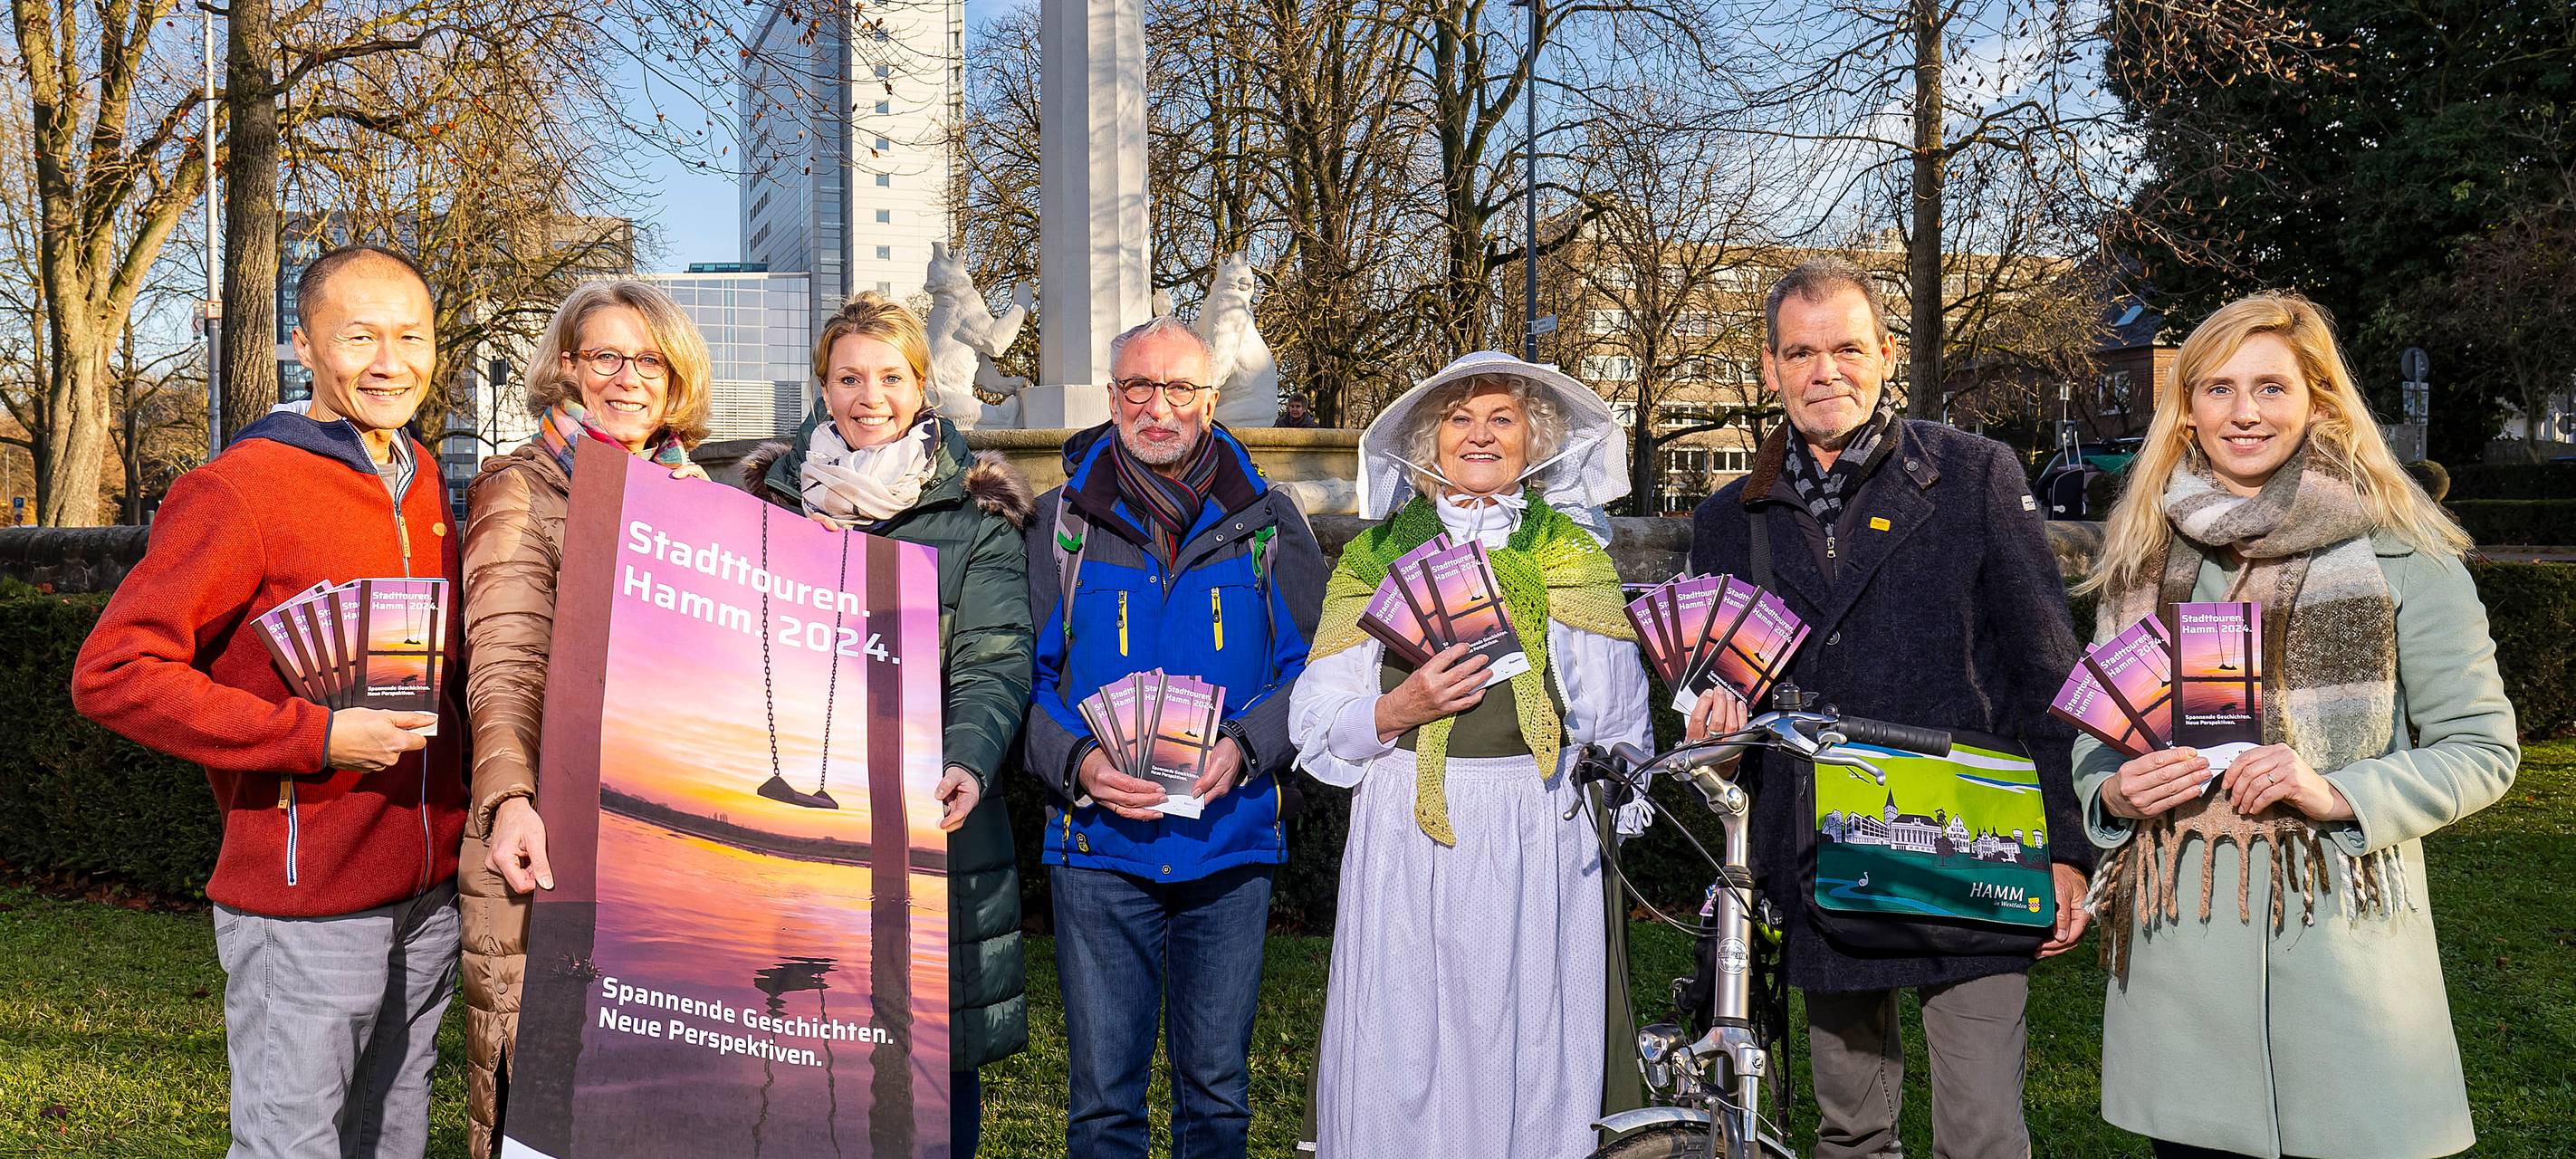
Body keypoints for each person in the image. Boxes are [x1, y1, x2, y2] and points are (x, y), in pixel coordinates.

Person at [2073, 294, 2515, 1159]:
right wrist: (2113, 792)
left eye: (2271, 387)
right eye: (2218, 388)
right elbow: (2097, 733)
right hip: (2179, 973)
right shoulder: (2140, 557)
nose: (2244, 412)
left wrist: (2340, 792)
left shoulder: (2403, 552)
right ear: (2186, 411)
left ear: (2317, 399)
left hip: (2345, 967)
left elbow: (2482, 748)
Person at [1683, 257, 2093, 1159]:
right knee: (1850, 1130)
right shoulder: (1726, 520)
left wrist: (2066, 845)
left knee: (1982, 1133)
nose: (1824, 371)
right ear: (1770, 367)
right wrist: (1712, 732)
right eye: (1800, 352)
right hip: (1823, 854)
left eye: (1846, 348)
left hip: (1971, 843)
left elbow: (2048, 670)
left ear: (1886, 354)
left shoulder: (1973, 474)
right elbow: (1718, 690)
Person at [71, 245, 464, 1159]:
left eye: (411, 337)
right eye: (358, 338)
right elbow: (113, 671)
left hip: (429, 893)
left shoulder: (424, 478)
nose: (390, 362)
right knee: (292, 1145)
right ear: (303, 344)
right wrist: (313, 735)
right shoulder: (238, 487)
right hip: (304, 902)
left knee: (393, 1137)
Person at [1288, 350, 1652, 1159]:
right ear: (1430, 439)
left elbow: (1619, 729)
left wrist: (1602, 806)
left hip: (1538, 830)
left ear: (1534, 439)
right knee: (1405, 1031)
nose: (1479, 435)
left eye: (1501, 419)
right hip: (1407, 829)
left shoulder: (1573, 558)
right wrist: (1397, 709)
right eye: (1460, 418)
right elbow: (1315, 720)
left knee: (1530, 1031)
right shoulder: (1376, 558)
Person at [742, 291, 1037, 1157]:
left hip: (923, 819)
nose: (869, 397)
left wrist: (967, 760)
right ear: (822, 388)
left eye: (890, 377)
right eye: (848, 378)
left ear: (921, 387)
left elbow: (992, 658)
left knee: (935, 1053)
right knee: (796, 1042)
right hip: (793, 826)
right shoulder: (763, 504)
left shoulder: (977, 518)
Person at [1020, 317, 1324, 1159]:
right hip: (1098, 848)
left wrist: (1249, 744)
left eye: (1180, 388)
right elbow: (1024, 681)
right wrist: (1078, 762)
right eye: (1139, 388)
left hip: (1228, 846)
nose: (1159, 408)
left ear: (1210, 400)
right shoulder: (1057, 523)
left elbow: (1316, 671)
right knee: (1102, 1107)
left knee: (1217, 1099)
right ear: (1113, 397)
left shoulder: (1269, 521)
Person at [455, 281, 713, 1158]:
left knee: (655, 1106)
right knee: (547, 1102)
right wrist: (509, 800)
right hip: (551, 831)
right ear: (567, 366)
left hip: (662, 842)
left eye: (649, 361)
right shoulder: (521, 489)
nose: (628, 378)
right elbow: (503, 660)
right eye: (606, 356)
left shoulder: (695, 495)